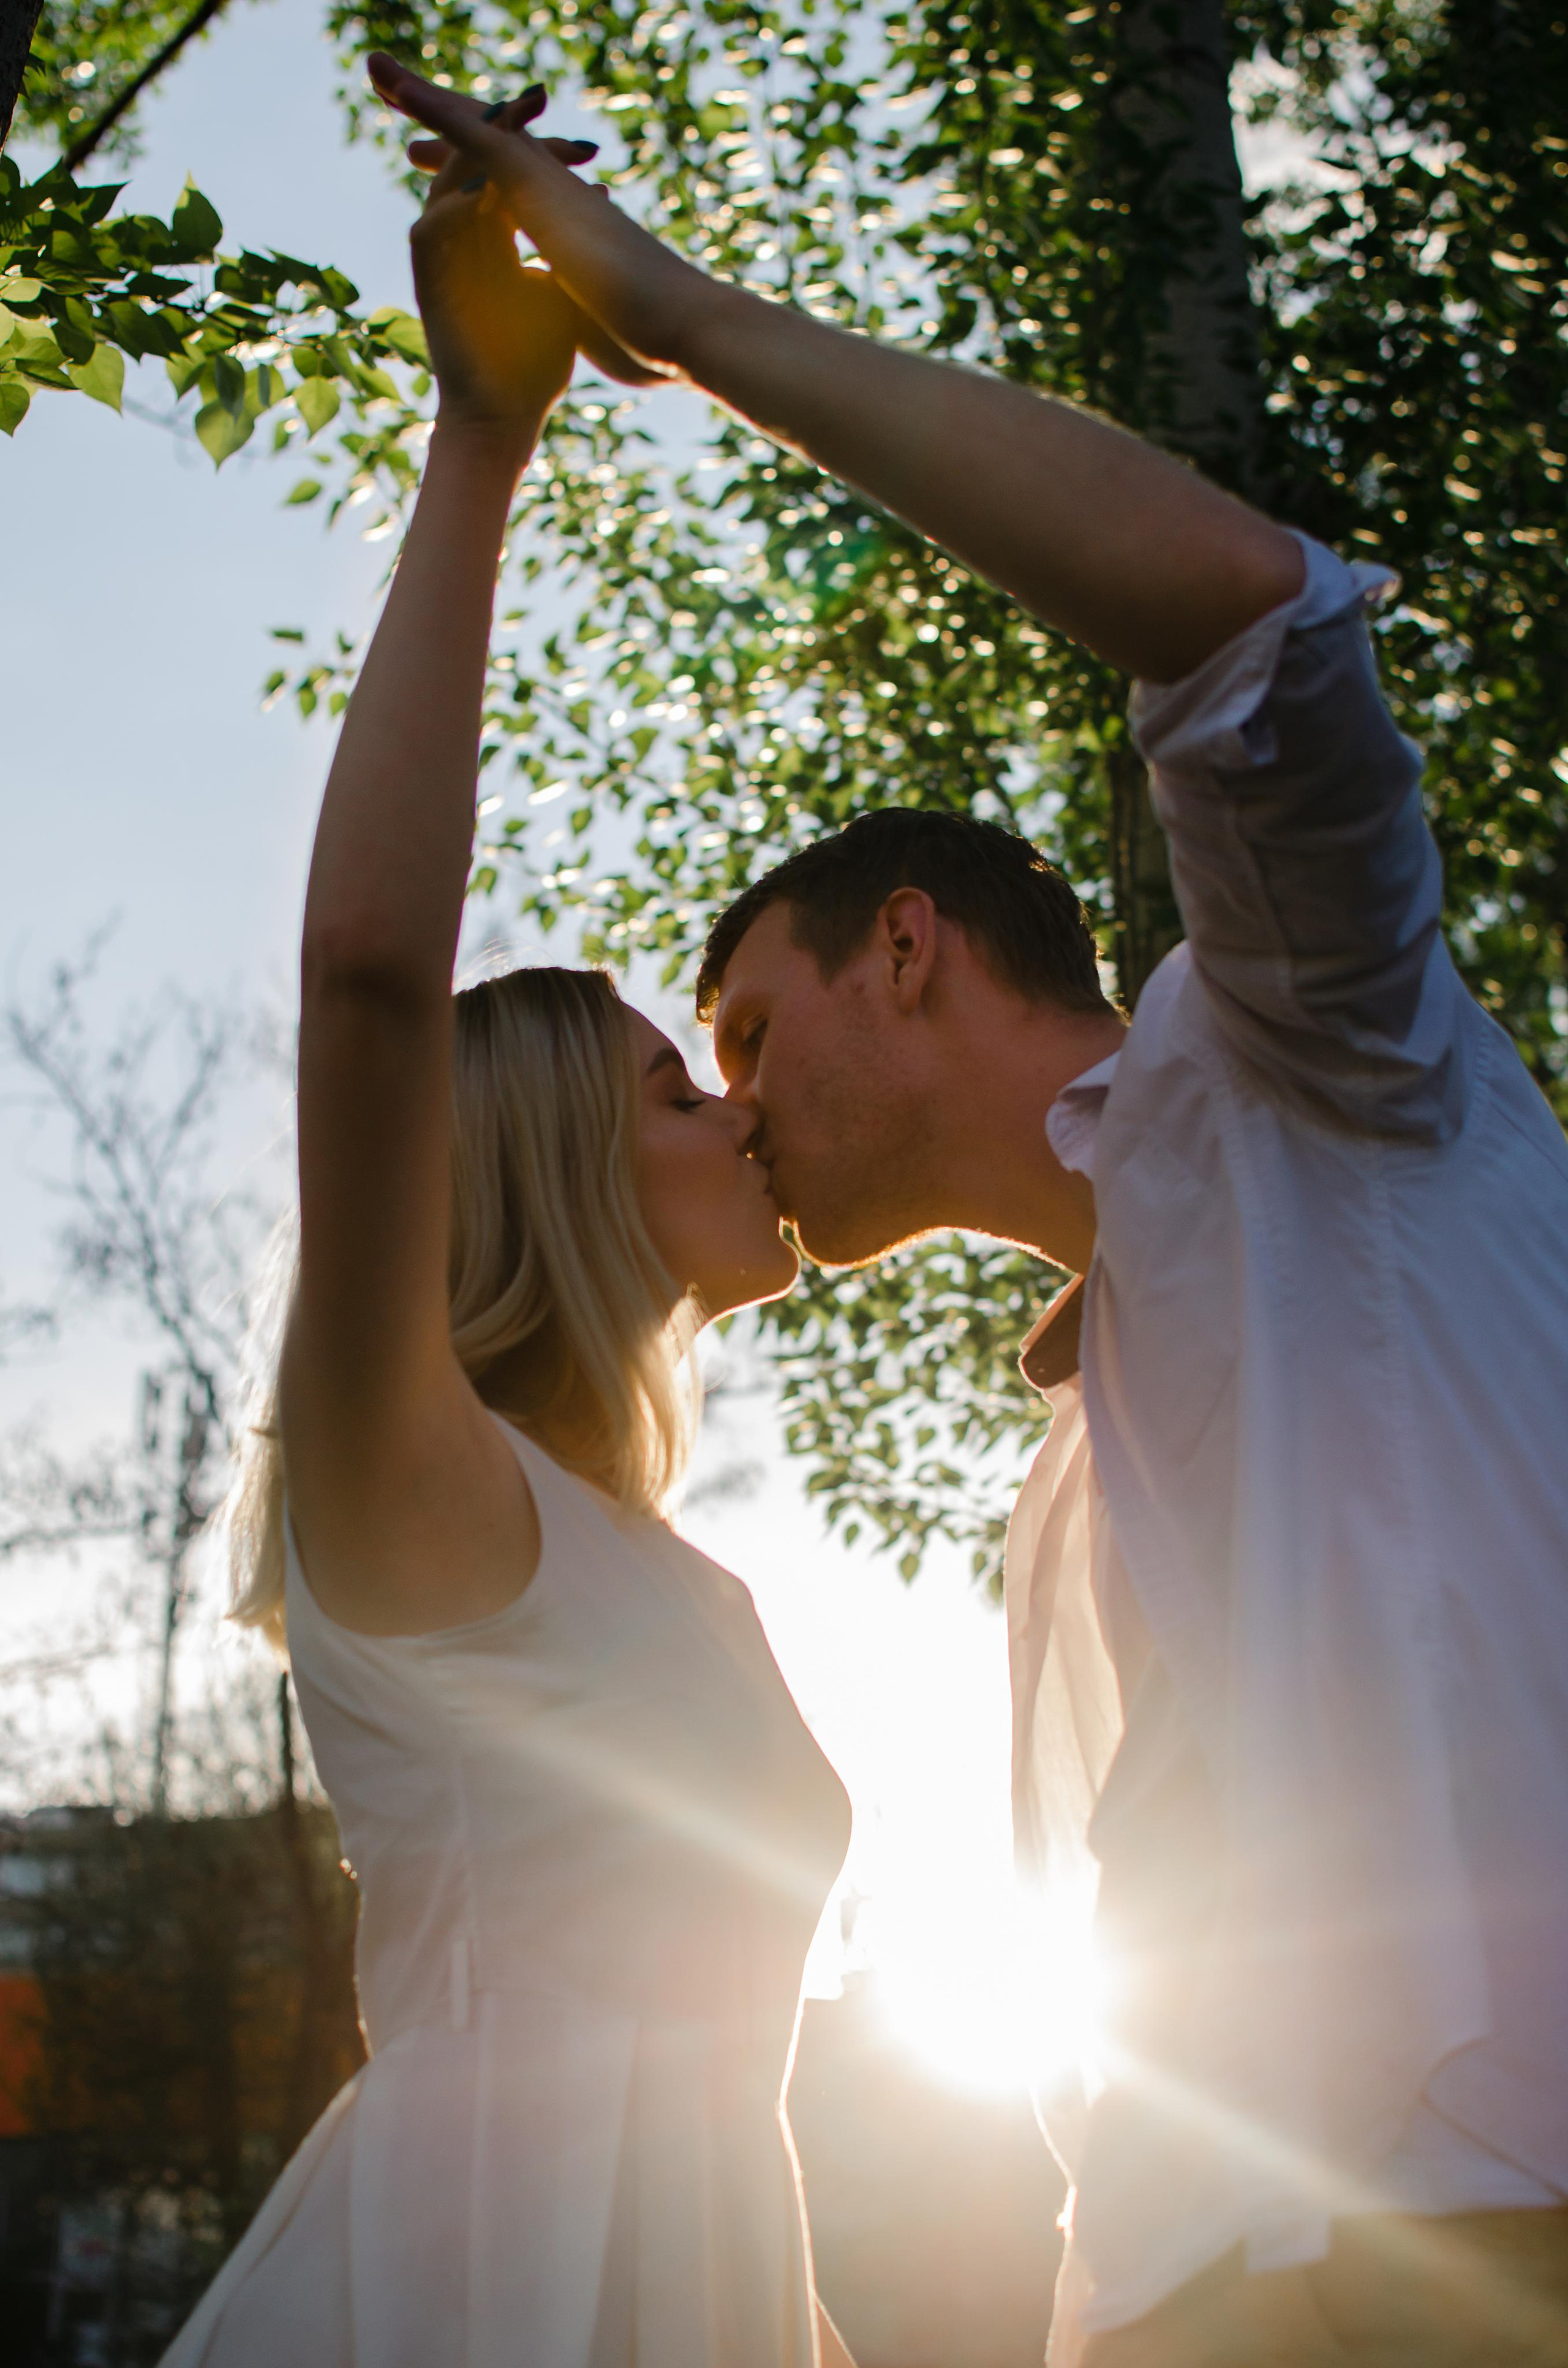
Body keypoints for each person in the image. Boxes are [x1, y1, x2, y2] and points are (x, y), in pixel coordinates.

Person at [368, 51, 1568, 2368]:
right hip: (1194, 2292)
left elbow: (1246, 613)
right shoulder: (1067, 1486)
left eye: (741, 1033)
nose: (737, 1111)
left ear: (903, 948)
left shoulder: (1311, 1055)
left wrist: (683, 322)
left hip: (1501, 2216)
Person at [158, 102, 854, 2368]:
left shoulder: (680, 1585)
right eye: (671, 1084)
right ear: (544, 1167)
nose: (737, 1110)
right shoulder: (422, 1497)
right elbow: (371, 973)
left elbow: (736, 2129)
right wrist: (483, 441)